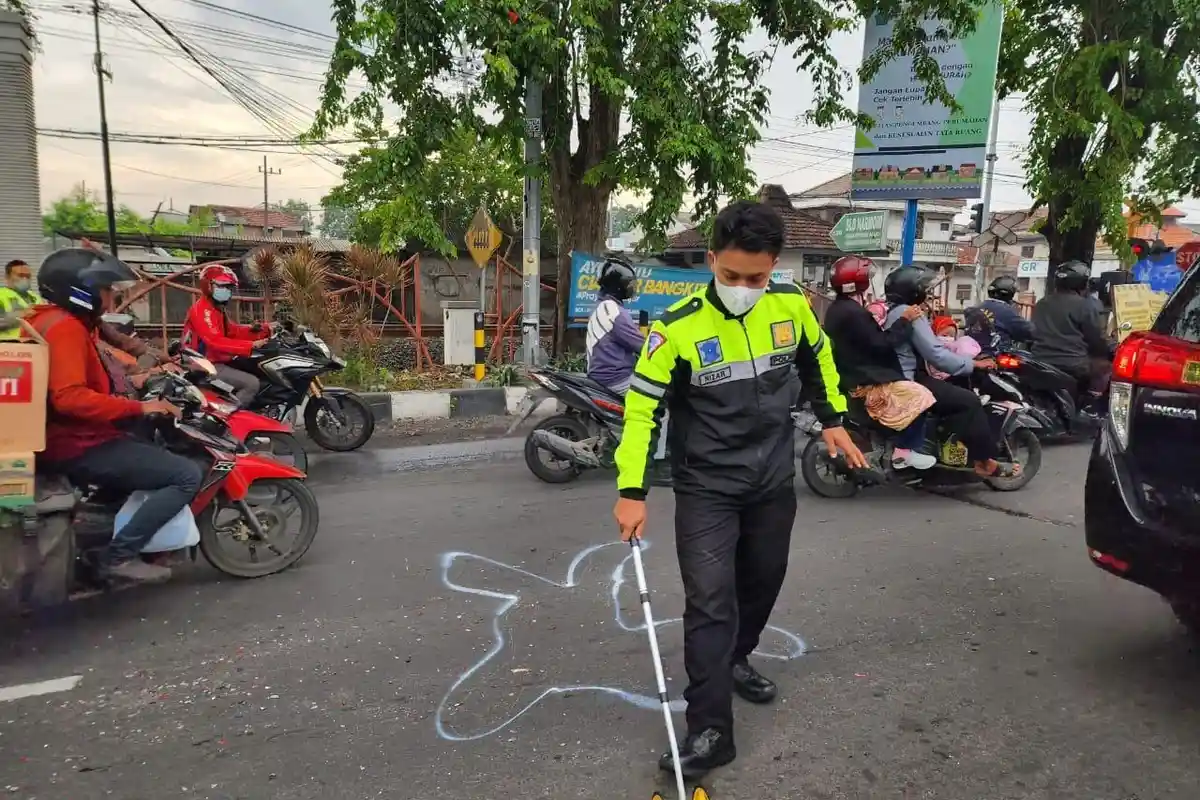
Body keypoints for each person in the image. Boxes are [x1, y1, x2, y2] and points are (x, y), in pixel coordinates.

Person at [612, 200, 867, 779]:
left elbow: (817, 360)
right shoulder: (675, 328)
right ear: (711, 262)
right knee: (709, 602)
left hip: (772, 480)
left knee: (763, 581)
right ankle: (709, 728)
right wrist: (632, 489)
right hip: (707, 487)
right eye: (730, 276)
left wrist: (832, 418)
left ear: (774, 265)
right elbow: (640, 411)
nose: (743, 288)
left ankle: (737, 657)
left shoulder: (792, 306)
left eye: (756, 277)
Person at [27, 248, 202, 582]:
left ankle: (110, 523)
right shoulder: (66, 329)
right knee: (185, 475)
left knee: (144, 438)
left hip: (69, 435)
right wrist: (140, 405)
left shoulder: (56, 320)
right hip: (76, 442)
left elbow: (122, 352)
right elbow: (69, 398)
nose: (110, 300)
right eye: (106, 291)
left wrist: (143, 378)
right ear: (82, 291)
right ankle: (115, 557)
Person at [883, 267, 1019, 479]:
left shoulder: (892, 311)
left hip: (901, 374)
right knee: (969, 401)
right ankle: (984, 461)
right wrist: (973, 364)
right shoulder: (910, 313)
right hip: (909, 379)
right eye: (924, 289)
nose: (927, 293)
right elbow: (936, 355)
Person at [822, 255, 936, 471]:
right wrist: (905, 320)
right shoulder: (853, 313)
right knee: (922, 395)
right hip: (864, 380)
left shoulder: (840, 308)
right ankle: (904, 451)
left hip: (855, 373)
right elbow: (883, 344)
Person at [585, 256, 670, 483]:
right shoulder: (613, 311)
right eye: (629, 284)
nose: (632, 288)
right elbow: (641, 345)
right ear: (618, 285)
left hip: (606, 373)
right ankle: (659, 463)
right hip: (615, 377)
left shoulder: (605, 307)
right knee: (659, 404)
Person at [181, 265, 272, 405]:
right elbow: (215, 341)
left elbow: (232, 331)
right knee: (251, 384)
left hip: (215, 360)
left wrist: (262, 330)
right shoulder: (202, 311)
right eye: (223, 286)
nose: (227, 291)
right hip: (205, 365)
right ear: (208, 286)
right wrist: (251, 345)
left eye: (229, 288)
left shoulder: (216, 309)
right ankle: (230, 422)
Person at [1031, 260, 1112, 404]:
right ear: (1082, 283)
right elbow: (1096, 339)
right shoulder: (1085, 306)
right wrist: (1111, 349)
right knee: (1106, 368)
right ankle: (1091, 407)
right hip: (1073, 364)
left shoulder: (1042, 303)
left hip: (1039, 361)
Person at [965, 275, 1036, 354]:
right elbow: (1029, 331)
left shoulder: (978, 307)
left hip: (973, 353)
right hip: (996, 354)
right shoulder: (1005, 311)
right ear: (1010, 294)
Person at [927, 315, 981, 381]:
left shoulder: (955, 347)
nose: (948, 338)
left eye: (952, 336)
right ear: (934, 334)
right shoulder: (931, 351)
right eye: (944, 335)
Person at [0, 259, 41, 340]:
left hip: (34, 346)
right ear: (7, 277)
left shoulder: (36, 297)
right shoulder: (1, 295)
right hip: (7, 348)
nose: (25, 279)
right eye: (21, 275)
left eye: (28, 276)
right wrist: (21, 315)